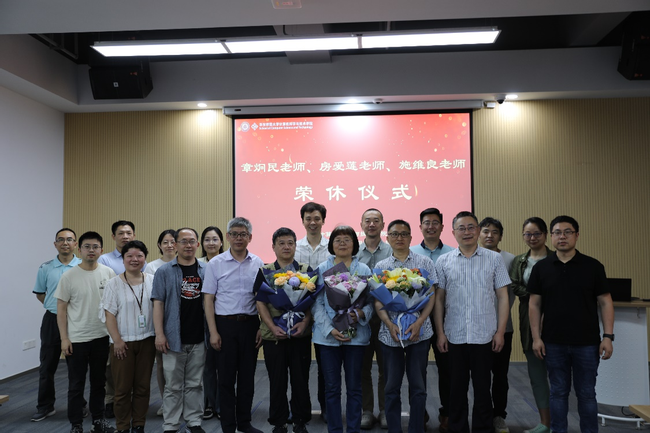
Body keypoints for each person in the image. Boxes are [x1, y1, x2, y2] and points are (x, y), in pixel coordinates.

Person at [528, 215, 614, 433]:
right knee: (558, 392)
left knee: (587, 394)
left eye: (568, 232)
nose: (562, 237)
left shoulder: (593, 266)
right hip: (553, 341)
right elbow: (534, 305)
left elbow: (605, 302)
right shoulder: (542, 268)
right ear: (551, 237)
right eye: (557, 232)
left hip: (587, 343)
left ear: (577, 235)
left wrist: (608, 336)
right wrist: (536, 338)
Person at [434, 212, 511, 433]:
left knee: (483, 388)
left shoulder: (494, 259)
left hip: (484, 335)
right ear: (453, 233)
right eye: (461, 228)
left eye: (471, 227)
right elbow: (439, 299)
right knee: (456, 388)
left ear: (477, 230)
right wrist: (440, 333)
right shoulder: (444, 261)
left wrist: (500, 332)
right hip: (454, 335)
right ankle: (457, 428)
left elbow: (503, 297)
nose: (466, 232)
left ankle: (482, 428)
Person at [203, 217, 265, 433]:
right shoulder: (215, 263)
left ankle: (244, 422)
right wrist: (213, 332)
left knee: (247, 377)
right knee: (226, 378)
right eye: (235, 234)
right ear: (227, 237)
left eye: (243, 234)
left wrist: (262, 327)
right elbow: (208, 299)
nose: (239, 238)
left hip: (250, 325)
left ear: (250, 237)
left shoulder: (258, 263)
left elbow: (261, 298)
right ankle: (228, 425)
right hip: (224, 326)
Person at [374, 219, 437, 433]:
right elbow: (378, 301)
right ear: (388, 238)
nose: (399, 238)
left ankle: (416, 428)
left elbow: (431, 296)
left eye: (403, 234)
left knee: (418, 386)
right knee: (391, 386)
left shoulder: (424, 262)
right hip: (390, 333)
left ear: (411, 237)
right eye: (394, 234)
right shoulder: (381, 266)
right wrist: (389, 323)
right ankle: (394, 429)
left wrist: (419, 322)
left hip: (419, 332)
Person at [54, 231, 116, 433]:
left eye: (95, 247)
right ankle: (76, 424)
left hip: (101, 337)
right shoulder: (68, 276)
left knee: (99, 383)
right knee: (76, 384)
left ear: (101, 250)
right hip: (77, 339)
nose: (91, 250)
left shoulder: (108, 273)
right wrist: (64, 338)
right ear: (79, 249)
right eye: (87, 246)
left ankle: (98, 421)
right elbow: (61, 309)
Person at [314, 225, 374, 433]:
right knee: (331, 388)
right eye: (337, 239)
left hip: (356, 337)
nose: (342, 243)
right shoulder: (322, 269)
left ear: (354, 244)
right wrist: (330, 329)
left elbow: (371, 302)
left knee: (354, 387)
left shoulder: (364, 270)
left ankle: (353, 429)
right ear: (331, 244)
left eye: (347, 239)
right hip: (327, 338)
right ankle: (335, 430)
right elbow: (316, 304)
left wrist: (360, 314)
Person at [258, 227, 313, 433]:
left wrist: (305, 323)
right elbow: (260, 303)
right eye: (281, 243)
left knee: (301, 380)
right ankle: (279, 422)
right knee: (277, 381)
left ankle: (300, 420)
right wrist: (272, 327)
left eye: (290, 243)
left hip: (300, 334)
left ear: (295, 246)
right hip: (274, 336)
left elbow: (311, 302)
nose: (286, 247)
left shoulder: (305, 270)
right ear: (273, 247)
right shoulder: (265, 271)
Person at [152, 227, 207, 433]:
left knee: (195, 384)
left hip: (199, 337)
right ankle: (171, 424)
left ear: (197, 244)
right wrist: (160, 334)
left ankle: (194, 421)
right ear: (175, 244)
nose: (188, 245)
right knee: (172, 385)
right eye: (183, 241)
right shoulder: (164, 271)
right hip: (173, 338)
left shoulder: (206, 270)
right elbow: (158, 303)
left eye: (192, 241)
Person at [103, 240, 156, 433]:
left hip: (147, 340)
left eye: (139, 255)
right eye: (130, 256)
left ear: (145, 258)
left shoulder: (152, 280)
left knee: (142, 387)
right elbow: (109, 314)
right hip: (122, 343)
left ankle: (139, 424)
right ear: (123, 259)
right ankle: (123, 426)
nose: (135, 259)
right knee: (122, 389)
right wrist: (117, 340)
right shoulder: (113, 284)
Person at [31, 228, 83, 422]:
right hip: (52, 320)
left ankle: (79, 405)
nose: (65, 243)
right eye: (61, 240)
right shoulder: (45, 268)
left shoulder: (82, 266)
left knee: (76, 368)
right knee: (47, 366)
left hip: (76, 320)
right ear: (55, 244)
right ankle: (45, 406)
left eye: (69, 239)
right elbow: (40, 293)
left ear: (75, 244)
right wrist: (54, 306)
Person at [409, 208, 453, 432]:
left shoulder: (453, 253)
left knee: (447, 369)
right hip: (418, 320)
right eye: (427, 223)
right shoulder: (411, 253)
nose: (431, 226)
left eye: (435, 223)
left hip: (447, 320)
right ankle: (420, 413)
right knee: (418, 370)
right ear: (420, 227)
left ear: (442, 227)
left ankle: (447, 413)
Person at [510, 217, 552, 433]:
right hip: (529, 319)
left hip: (557, 319)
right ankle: (545, 423)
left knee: (560, 377)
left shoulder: (557, 258)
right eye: (528, 234)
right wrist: (537, 295)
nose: (532, 238)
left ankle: (560, 422)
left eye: (536, 233)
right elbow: (515, 286)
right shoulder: (519, 261)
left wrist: (543, 297)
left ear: (545, 235)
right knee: (537, 375)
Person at [98, 220, 144, 418]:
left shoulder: (139, 257)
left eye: (128, 233)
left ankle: (132, 403)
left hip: (135, 321)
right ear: (113, 236)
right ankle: (111, 400)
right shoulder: (105, 260)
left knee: (136, 370)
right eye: (121, 233)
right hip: (113, 318)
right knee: (113, 367)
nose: (125, 236)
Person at [478, 217, 516, 433]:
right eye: (485, 231)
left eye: (494, 232)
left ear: (501, 236)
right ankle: (482, 416)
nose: (489, 235)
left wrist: (500, 327)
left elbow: (510, 296)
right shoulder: (471, 257)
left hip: (503, 328)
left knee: (500, 375)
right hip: (477, 329)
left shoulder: (510, 259)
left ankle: (499, 415)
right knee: (479, 376)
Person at [356, 208, 392, 429]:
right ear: (361, 224)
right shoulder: (354, 253)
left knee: (386, 368)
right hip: (360, 318)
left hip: (386, 317)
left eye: (376, 220)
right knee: (363, 368)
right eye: (367, 221)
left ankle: (386, 410)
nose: (371, 224)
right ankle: (367, 411)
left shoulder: (391, 251)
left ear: (382, 225)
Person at [294, 202, 330, 420]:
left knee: (325, 365)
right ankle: (301, 408)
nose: (313, 222)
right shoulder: (295, 247)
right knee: (300, 364)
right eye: (308, 219)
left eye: (317, 218)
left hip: (327, 312)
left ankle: (326, 407)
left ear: (323, 220)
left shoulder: (331, 247)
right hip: (300, 313)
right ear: (303, 221)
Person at [144, 229, 177, 417]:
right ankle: (166, 402)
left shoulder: (185, 263)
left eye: (173, 241)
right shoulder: (151, 267)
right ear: (159, 245)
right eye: (165, 242)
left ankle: (182, 401)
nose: (169, 245)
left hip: (181, 322)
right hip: (160, 321)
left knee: (183, 366)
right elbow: (152, 297)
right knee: (162, 364)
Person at [198, 226, 224, 421]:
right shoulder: (197, 265)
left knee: (224, 364)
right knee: (207, 365)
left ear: (221, 242)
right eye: (207, 239)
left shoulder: (227, 262)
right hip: (202, 320)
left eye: (215, 239)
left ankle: (222, 403)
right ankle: (208, 403)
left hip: (224, 318)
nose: (211, 243)